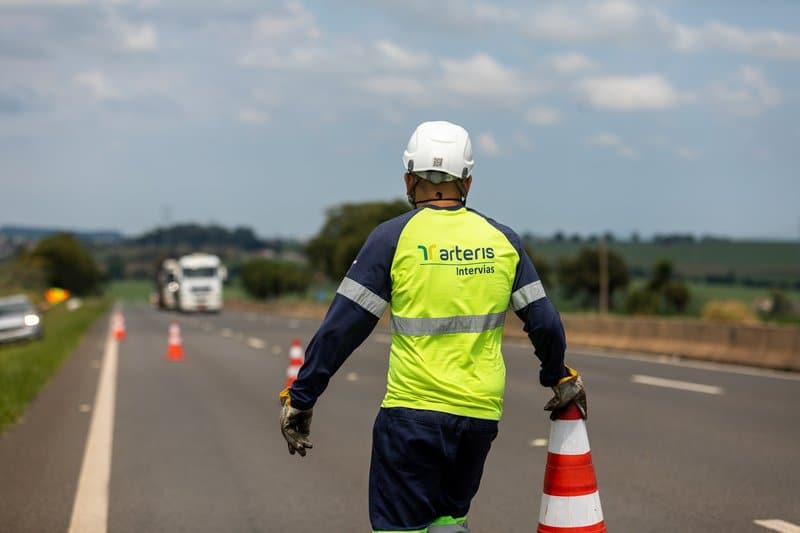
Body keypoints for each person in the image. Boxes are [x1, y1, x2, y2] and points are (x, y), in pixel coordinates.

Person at [279, 120, 587, 533]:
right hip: (478, 418)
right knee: (448, 523)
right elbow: (546, 324)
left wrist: (302, 397)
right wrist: (557, 376)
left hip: (412, 415)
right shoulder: (502, 240)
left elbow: (342, 329)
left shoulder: (392, 238)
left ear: (408, 179)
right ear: (468, 182)